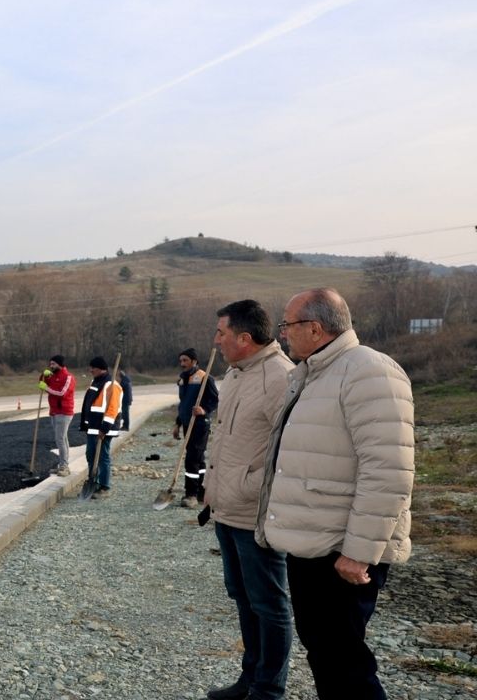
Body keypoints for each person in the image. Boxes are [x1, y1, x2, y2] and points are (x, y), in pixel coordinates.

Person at [256, 288, 414, 700]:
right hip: (313, 543)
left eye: (287, 325)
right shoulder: (315, 372)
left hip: (341, 551)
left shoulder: (369, 371)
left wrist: (360, 551)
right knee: (326, 655)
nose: (282, 334)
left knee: (345, 662)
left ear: (315, 327)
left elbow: (388, 470)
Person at [202, 300, 295, 700]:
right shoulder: (237, 374)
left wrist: (259, 491)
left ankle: (269, 689)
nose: (216, 340)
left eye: (221, 332)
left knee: (270, 605)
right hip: (227, 509)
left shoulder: (281, 378)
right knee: (243, 598)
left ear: (244, 337)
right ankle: (249, 680)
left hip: (257, 513)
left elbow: (291, 450)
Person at [173, 347, 218, 507]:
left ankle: (190, 494)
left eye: (185, 360)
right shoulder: (183, 380)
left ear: (194, 361)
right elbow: (183, 405)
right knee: (198, 459)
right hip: (186, 423)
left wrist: (203, 409)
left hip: (200, 424)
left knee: (192, 458)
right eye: (181, 361)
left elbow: (215, 400)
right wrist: (177, 424)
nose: (182, 364)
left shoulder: (205, 378)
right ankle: (202, 492)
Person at [79, 356, 122, 498]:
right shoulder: (95, 382)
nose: (91, 370)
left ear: (101, 368)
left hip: (104, 428)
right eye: (90, 367)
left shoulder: (111, 385)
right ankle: (94, 481)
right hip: (93, 427)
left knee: (102, 456)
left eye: (93, 368)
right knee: (90, 454)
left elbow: (112, 408)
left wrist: (104, 429)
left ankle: (104, 486)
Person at [37, 355, 76, 477]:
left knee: (60, 439)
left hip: (64, 412)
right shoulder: (53, 376)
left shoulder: (68, 377)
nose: (51, 366)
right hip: (54, 412)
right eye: (50, 364)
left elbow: (62, 394)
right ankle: (62, 464)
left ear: (60, 364)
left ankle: (64, 466)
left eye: (53, 364)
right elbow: (42, 383)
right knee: (62, 438)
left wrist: (47, 388)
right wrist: (43, 375)